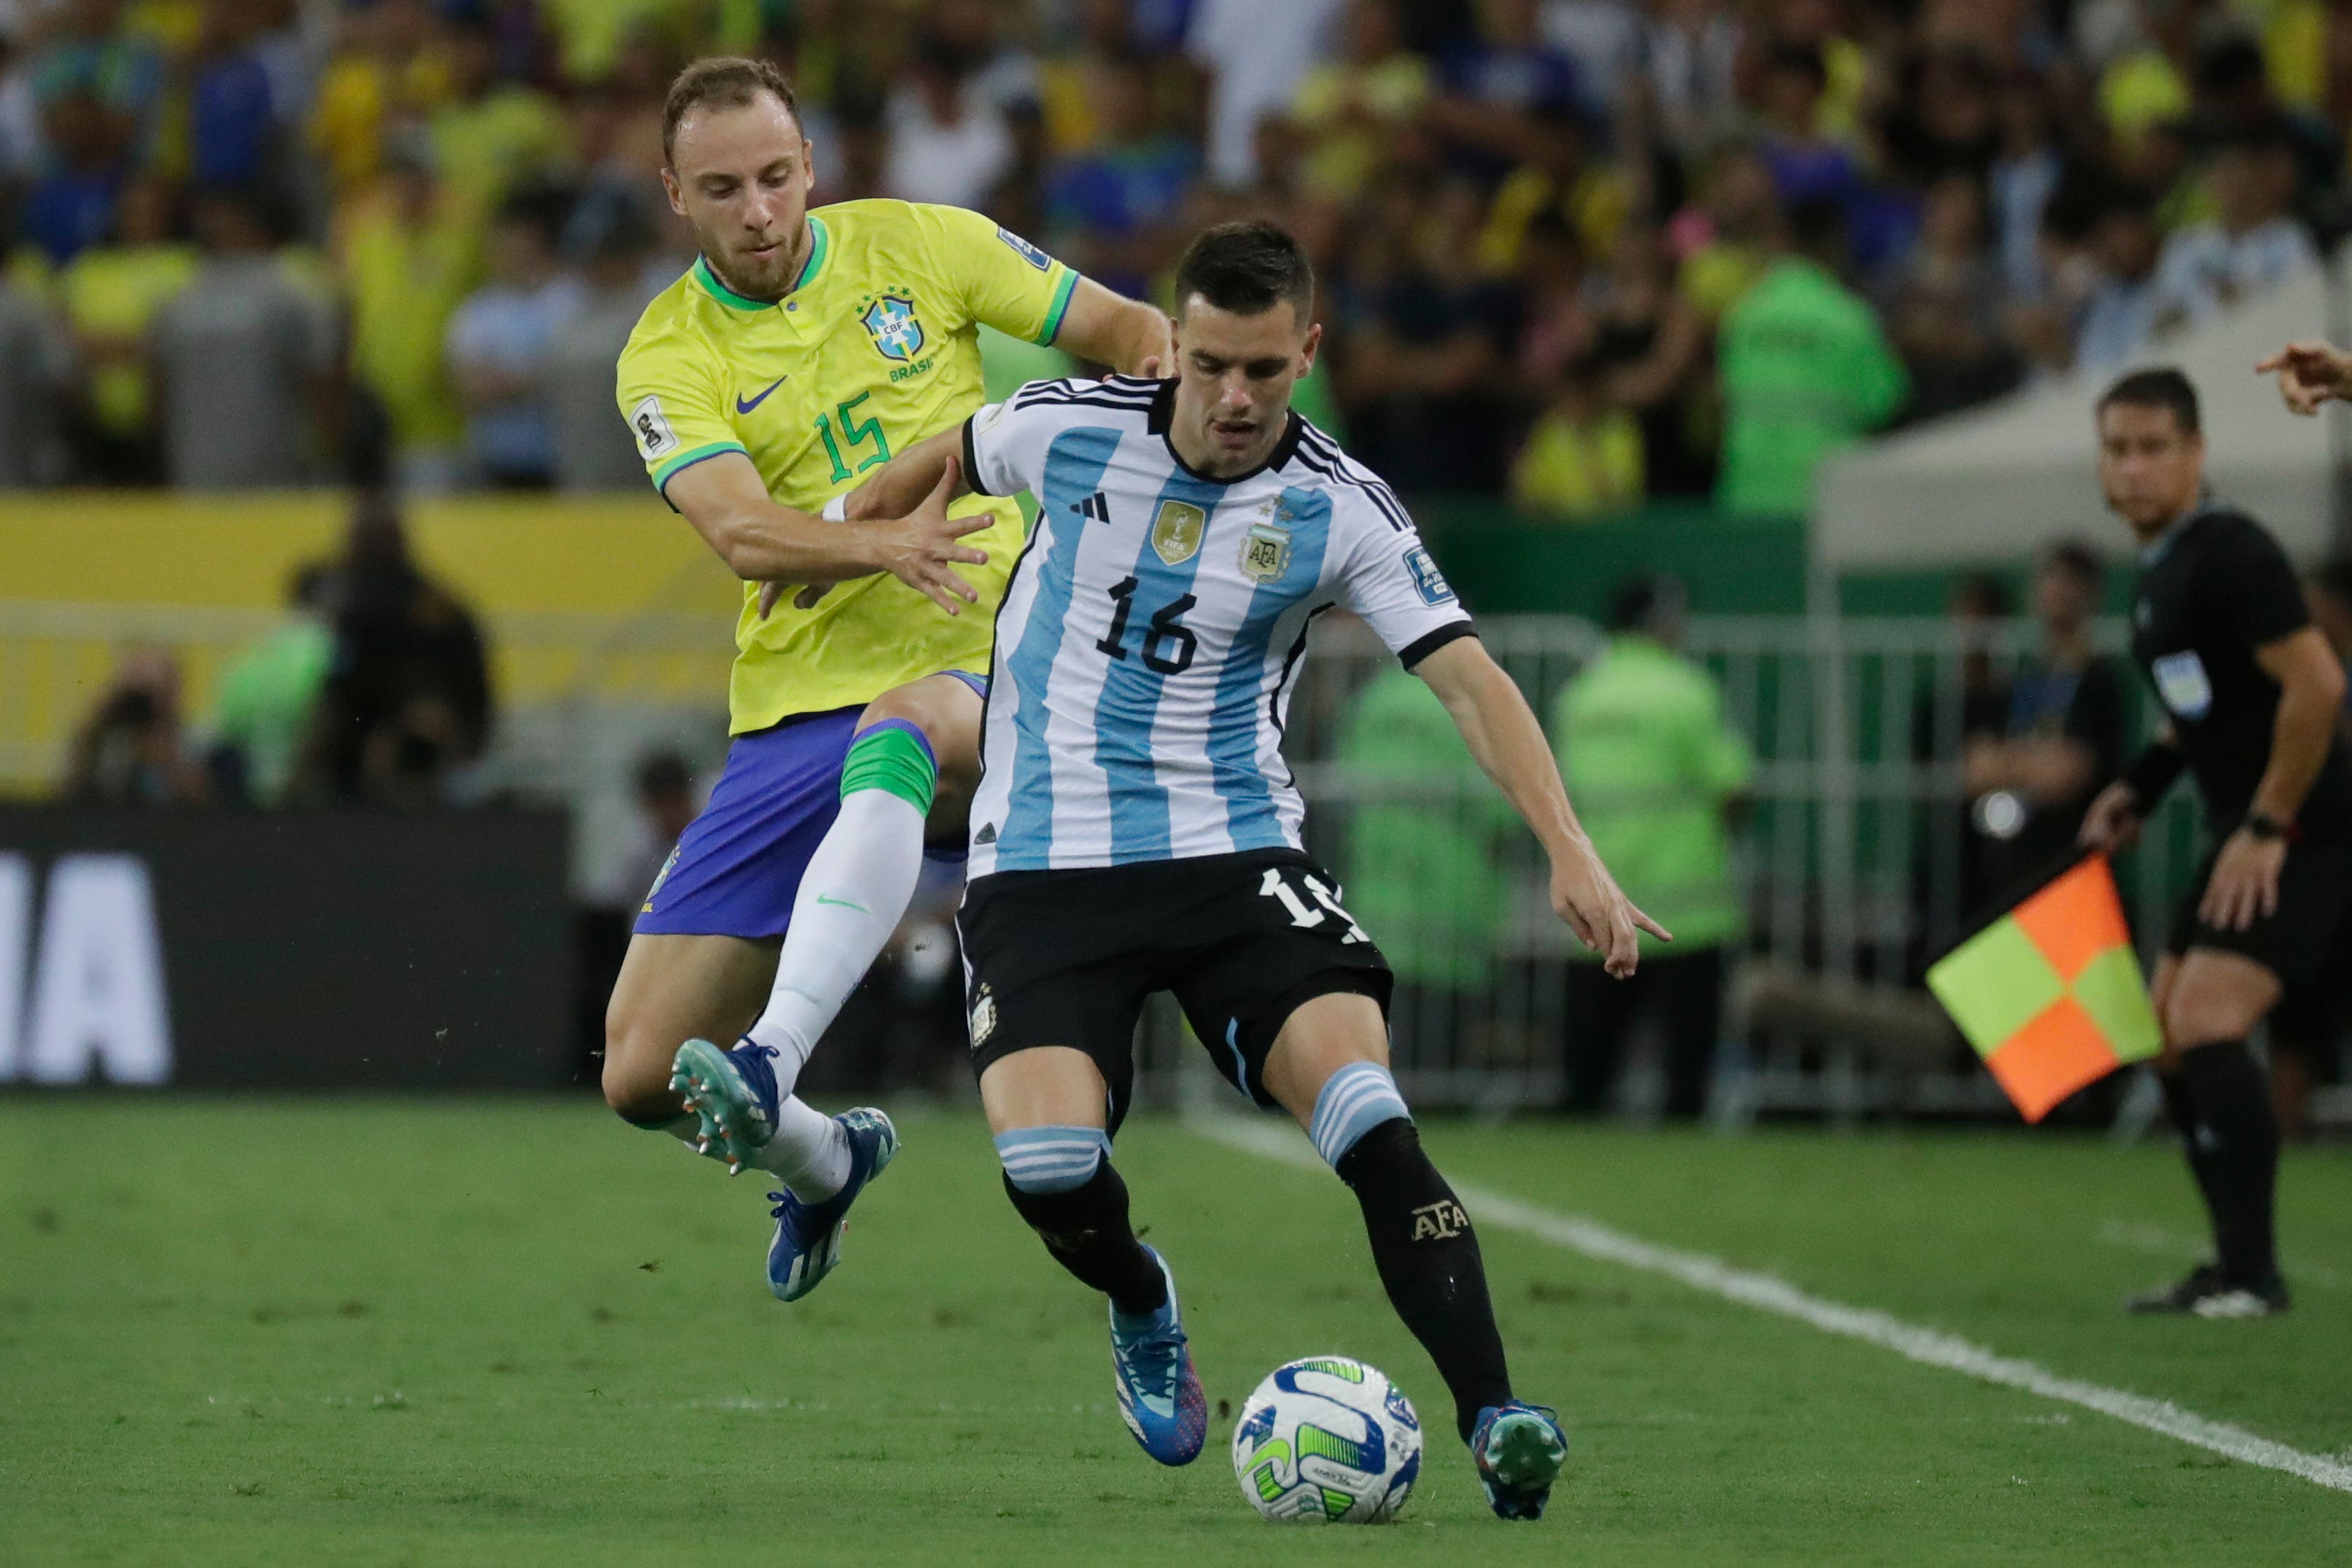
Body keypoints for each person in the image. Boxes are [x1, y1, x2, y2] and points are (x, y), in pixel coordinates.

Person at [698, 220, 1662, 1517]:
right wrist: (862, 525)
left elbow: (1472, 681)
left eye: (1264, 370)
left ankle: (1498, 1415)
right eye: (1208, 363)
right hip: (1043, 860)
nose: (1233, 398)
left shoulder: (1340, 507)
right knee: (1047, 1173)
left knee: (1370, 1118)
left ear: (1307, 353)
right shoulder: (1065, 425)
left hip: (1232, 855)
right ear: (1176, 343)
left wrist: (1572, 852)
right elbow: (953, 448)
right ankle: (1143, 1296)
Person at [601, 58, 1167, 1303]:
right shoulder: (665, 351)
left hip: (976, 644)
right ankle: (824, 1157)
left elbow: (1133, 334)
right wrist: (880, 538)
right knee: (640, 1074)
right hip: (793, 707)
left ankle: (777, 1055)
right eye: (723, 189)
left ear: (810, 164)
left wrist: (1128, 490)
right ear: (674, 196)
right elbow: (743, 535)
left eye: (776, 177)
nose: (758, 211)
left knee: (909, 725)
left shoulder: (923, 244)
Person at [2078, 368, 2352, 1317]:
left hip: (2306, 826)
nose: (2136, 467)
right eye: (2118, 449)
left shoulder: (2230, 550)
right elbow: (2199, 706)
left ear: (2195, 453)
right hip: (2246, 822)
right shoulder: (2166, 567)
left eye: (2155, 446)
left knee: (2201, 1021)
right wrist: (2142, 786)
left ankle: (2251, 1274)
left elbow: (2315, 686)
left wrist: (2270, 823)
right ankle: (2234, 1266)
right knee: (2165, 1036)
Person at [1551, 576, 1751, 1119]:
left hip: (1599, 903)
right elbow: (1732, 787)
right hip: (1686, 908)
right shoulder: (1686, 689)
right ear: (1661, 620)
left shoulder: (1580, 694)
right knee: (1686, 1083)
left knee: (1587, 1080)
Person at [1715, 197, 1906, 516]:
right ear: (1835, 243)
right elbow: (1887, 402)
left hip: (1746, 492)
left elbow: (1725, 396)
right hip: (1827, 499)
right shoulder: (1850, 319)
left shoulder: (1744, 314)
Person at [1960, 542, 2127, 896]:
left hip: (2072, 861)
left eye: (2068, 582)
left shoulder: (2099, 682)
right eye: (2048, 580)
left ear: (2090, 595)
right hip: (2009, 868)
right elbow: (1977, 769)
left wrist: (2013, 763)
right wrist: (2036, 760)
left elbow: (2067, 775)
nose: (2055, 592)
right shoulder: (2021, 679)